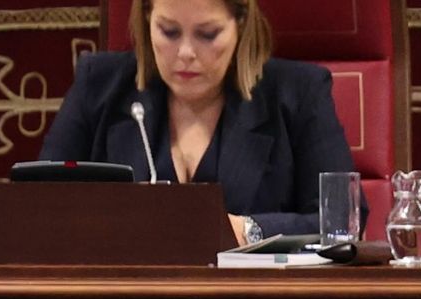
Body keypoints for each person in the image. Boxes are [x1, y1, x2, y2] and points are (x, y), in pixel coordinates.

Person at [39, 0, 365, 243]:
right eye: (168, 31)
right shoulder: (98, 84)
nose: (185, 52)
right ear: (147, 19)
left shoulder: (298, 93)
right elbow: (35, 207)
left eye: (207, 34)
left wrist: (246, 230)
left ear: (240, 24)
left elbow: (343, 222)